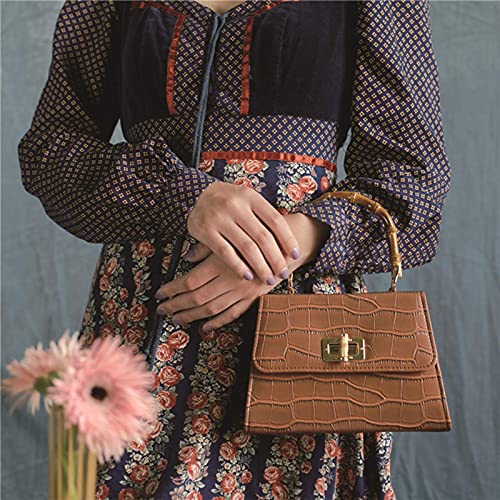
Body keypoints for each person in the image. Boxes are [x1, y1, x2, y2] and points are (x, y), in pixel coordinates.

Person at [17, 0, 451, 498]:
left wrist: (280, 250)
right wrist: (187, 196)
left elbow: (415, 179)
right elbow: (49, 151)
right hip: (142, 324)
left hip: (298, 335)